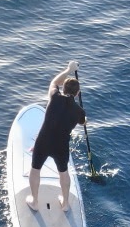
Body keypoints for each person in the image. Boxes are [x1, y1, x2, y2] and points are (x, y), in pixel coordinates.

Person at [26, 60, 86, 212]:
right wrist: (84, 120)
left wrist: (68, 70)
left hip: (43, 142)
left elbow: (54, 82)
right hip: (61, 145)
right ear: (77, 93)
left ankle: (34, 201)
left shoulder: (54, 96)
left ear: (62, 88)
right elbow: (82, 122)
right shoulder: (80, 111)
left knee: (35, 169)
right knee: (63, 172)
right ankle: (65, 204)